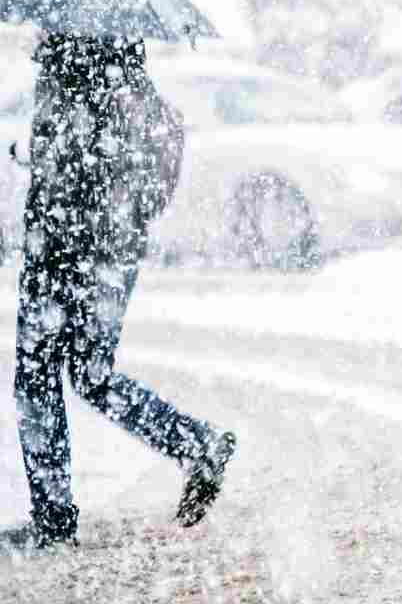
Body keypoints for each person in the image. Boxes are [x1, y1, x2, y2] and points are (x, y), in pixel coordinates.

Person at [1, 34, 237, 553]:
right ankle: (196, 443)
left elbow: (77, 161)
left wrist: (37, 154)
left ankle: (53, 520)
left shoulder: (74, 69)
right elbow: (115, 167)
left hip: (66, 246)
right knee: (91, 374)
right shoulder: (127, 74)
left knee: (37, 376)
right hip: (111, 250)